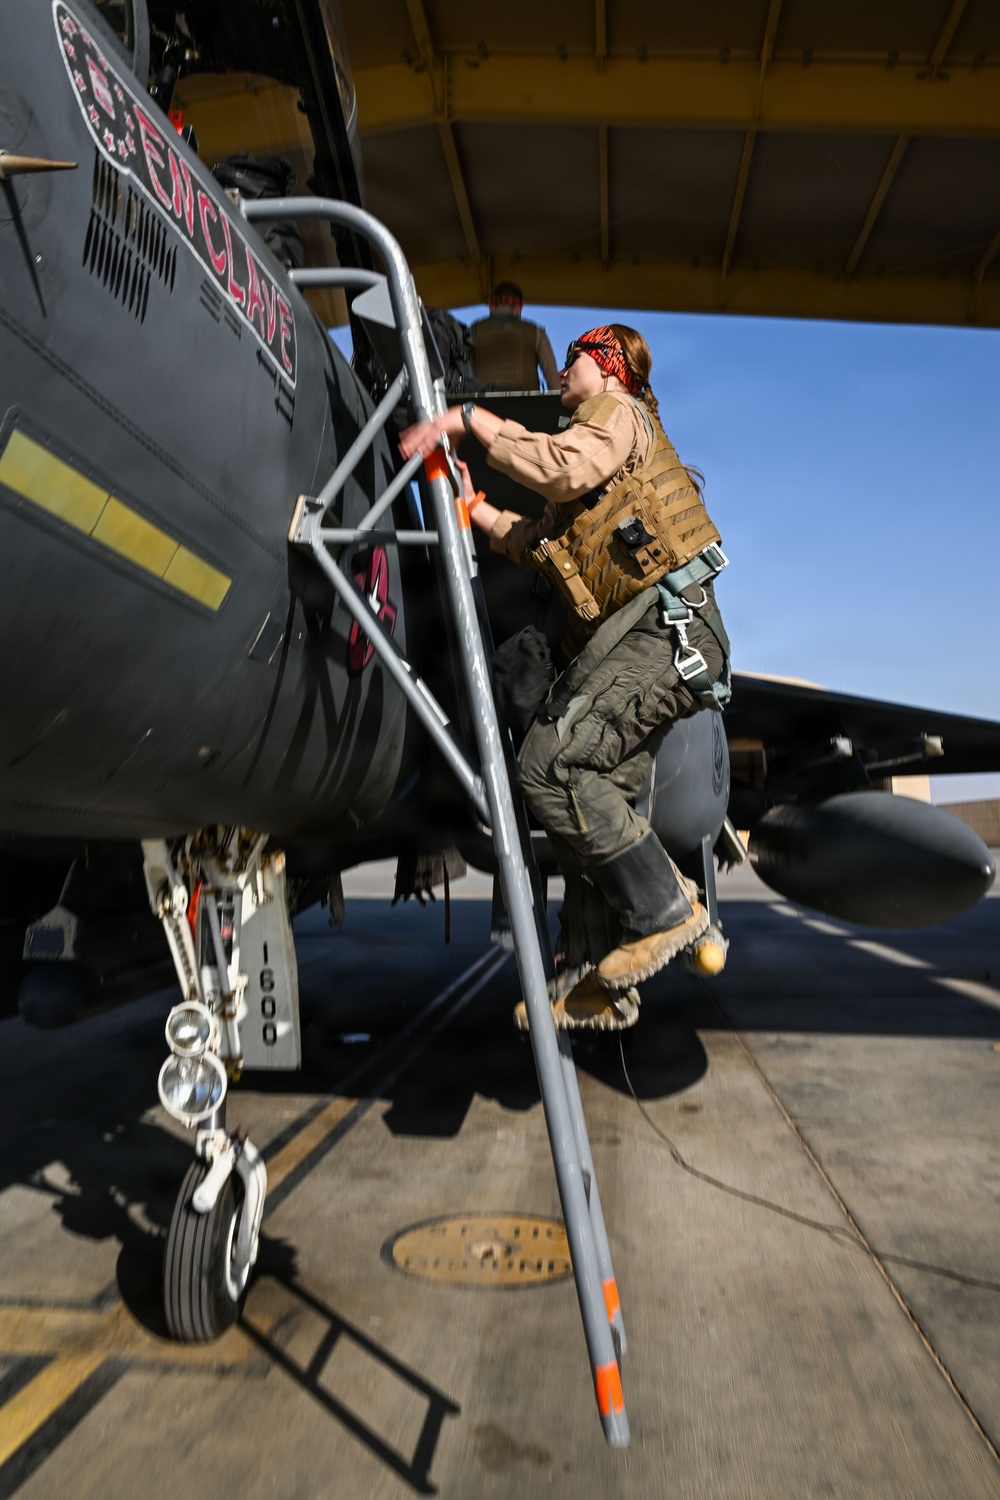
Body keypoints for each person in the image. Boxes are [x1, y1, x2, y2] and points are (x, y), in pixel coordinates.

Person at [399, 325, 730, 1030]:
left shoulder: (617, 414)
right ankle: (592, 978)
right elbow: (539, 544)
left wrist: (468, 419)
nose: (562, 373)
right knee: (585, 807)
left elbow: (559, 469)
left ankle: (667, 909)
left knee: (549, 764)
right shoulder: (592, 458)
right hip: (629, 638)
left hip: (664, 630)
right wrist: (472, 505)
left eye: (573, 360)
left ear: (608, 368)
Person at [470, 283, 560, 392]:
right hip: (525, 403)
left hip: (482, 402)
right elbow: (552, 378)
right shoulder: (536, 332)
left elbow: (461, 369)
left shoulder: (474, 330)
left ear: (491, 306)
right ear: (519, 308)